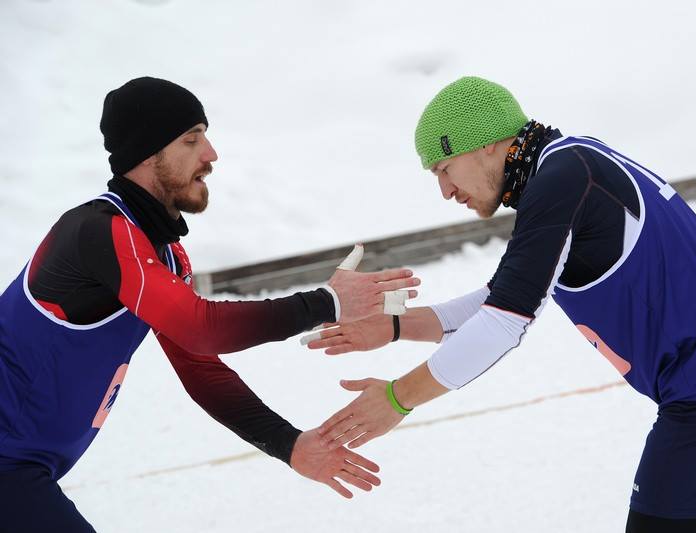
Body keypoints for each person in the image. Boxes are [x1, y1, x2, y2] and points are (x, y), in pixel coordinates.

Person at [306, 77, 696, 532]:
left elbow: (503, 324)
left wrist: (397, 399)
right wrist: (393, 327)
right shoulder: (570, 163)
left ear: (484, 144)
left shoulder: (562, 181)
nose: (444, 189)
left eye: (443, 167)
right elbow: (498, 300)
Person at [0, 76, 421, 533]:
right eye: (191, 139)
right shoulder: (99, 231)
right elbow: (203, 328)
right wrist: (329, 302)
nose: (211, 154)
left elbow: (199, 363)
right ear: (147, 153)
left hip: (23, 469)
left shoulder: (161, 253)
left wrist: (289, 444)